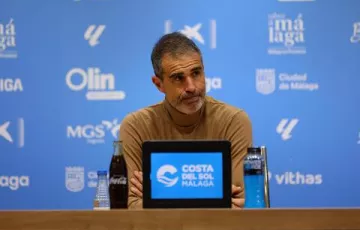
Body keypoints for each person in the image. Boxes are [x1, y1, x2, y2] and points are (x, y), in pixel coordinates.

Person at [120, 32, 253, 209]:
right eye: (178, 78)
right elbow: (132, 205)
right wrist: (213, 197)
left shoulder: (234, 121)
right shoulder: (135, 126)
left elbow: (239, 204)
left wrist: (158, 195)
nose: (191, 87)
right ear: (158, 84)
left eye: (196, 73)